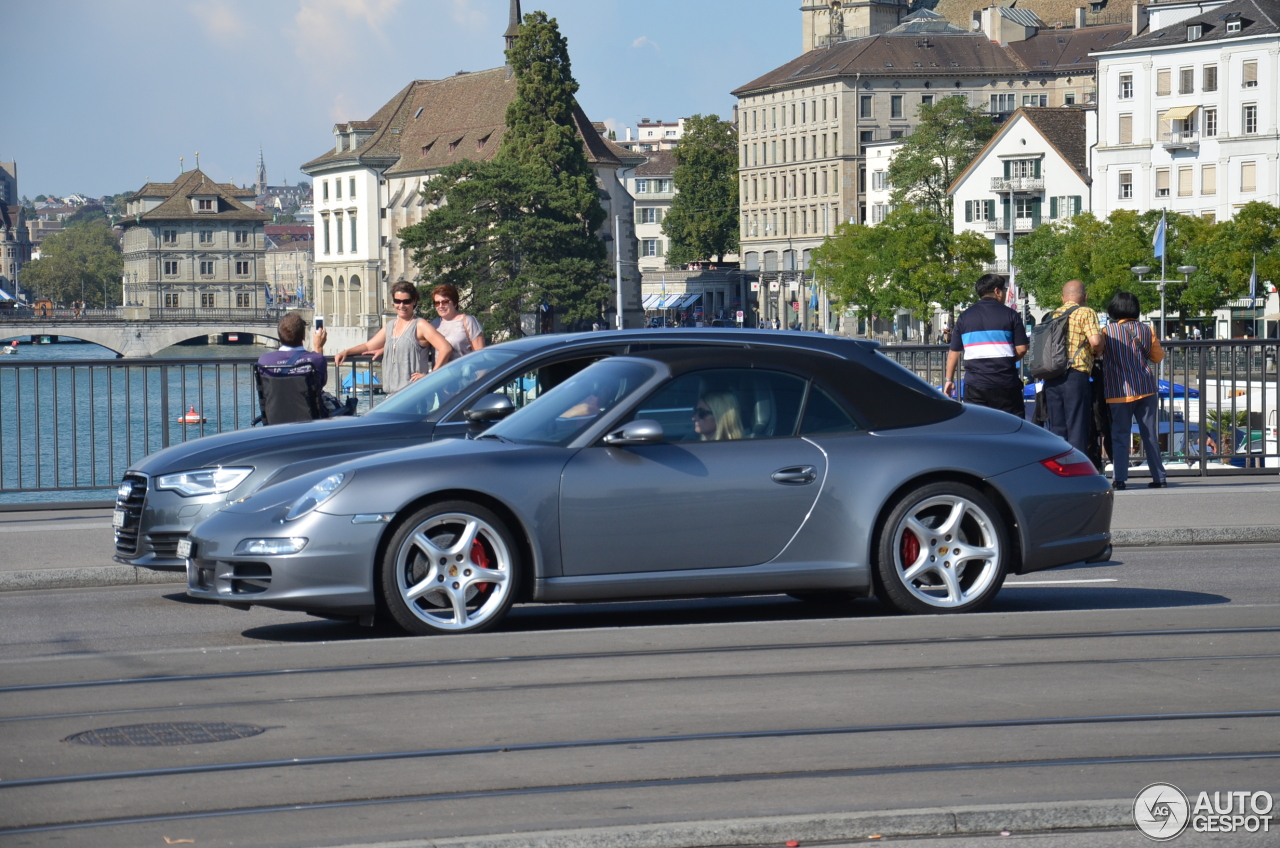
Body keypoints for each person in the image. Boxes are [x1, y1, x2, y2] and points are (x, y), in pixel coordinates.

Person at [334, 281, 452, 394]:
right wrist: (346, 352)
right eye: (397, 301)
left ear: (414, 302)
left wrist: (431, 376)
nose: (401, 305)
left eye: (406, 301)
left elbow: (445, 348)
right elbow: (368, 346)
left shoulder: (420, 325)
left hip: (415, 394)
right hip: (392, 395)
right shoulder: (390, 326)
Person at [1102, 291, 1167, 489]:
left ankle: (1119, 479)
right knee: (1149, 435)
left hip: (1118, 391)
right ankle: (1159, 477)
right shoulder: (1147, 330)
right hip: (1146, 388)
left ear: (1114, 309)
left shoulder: (1107, 332)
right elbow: (1157, 357)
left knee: (1120, 436)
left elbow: (1097, 353)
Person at [944, 274, 1029, 417]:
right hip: (1005, 383)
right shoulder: (1011, 315)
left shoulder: (965, 317)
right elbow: (1022, 349)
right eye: (1004, 289)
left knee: (978, 428)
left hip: (975, 384)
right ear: (997, 291)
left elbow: (954, 352)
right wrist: (1005, 360)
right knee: (1011, 429)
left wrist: (949, 380)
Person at [1044, 280, 1105, 455]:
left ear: (1063, 298)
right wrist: (1098, 350)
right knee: (1077, 426)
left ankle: (1058, 470)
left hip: (1052, 375)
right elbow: (1095, 341)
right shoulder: (1085, 312)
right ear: (1085, 297)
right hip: (1076, 375)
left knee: (1057, 427)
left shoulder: (1053, 315)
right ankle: (1077, 472)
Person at [258, 311, 328, 388]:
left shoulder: (264, 361)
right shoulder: (316, 360)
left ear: (280, 336)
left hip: (276, 400)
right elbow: (321, 383)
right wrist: (318, 347)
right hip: (305, 400)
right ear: (304, 336)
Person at [428, 283, 485, 357]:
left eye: (445, 302)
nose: (441, 306)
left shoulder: (468, 321)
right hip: (440, 368)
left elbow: (480, 354)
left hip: (463, 367)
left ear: (455, 303)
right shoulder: (432, 325)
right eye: (437, 303)